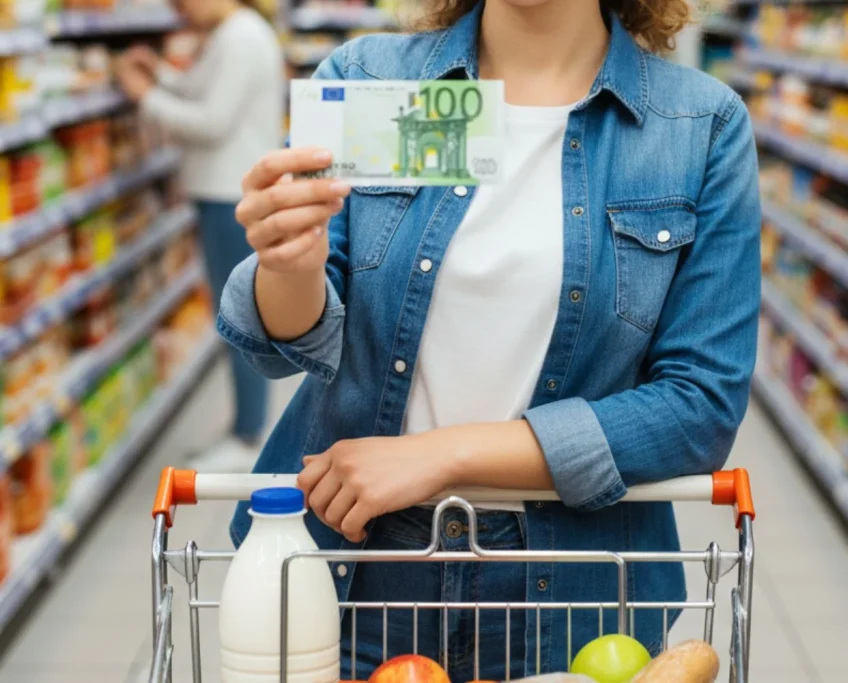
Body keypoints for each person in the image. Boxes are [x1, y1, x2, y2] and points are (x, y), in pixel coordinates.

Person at [219, 0, 761, 675]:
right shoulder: (371, 81)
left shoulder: (697, 126)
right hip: (354, 567)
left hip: (574, 585)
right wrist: (289, 265)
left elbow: (699, 406)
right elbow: (284, 347)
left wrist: (441, 455)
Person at [114, 0, 282, 472]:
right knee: (236, 315)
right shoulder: (232, 33)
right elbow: (201, 91)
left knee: (240, 320)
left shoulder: (241, 36)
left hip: (232, 197)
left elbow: (211, 123)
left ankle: (247, 435)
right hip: (225, 194)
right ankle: (245, 427)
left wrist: (144, 95)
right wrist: (161, 75)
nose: (178, 10)